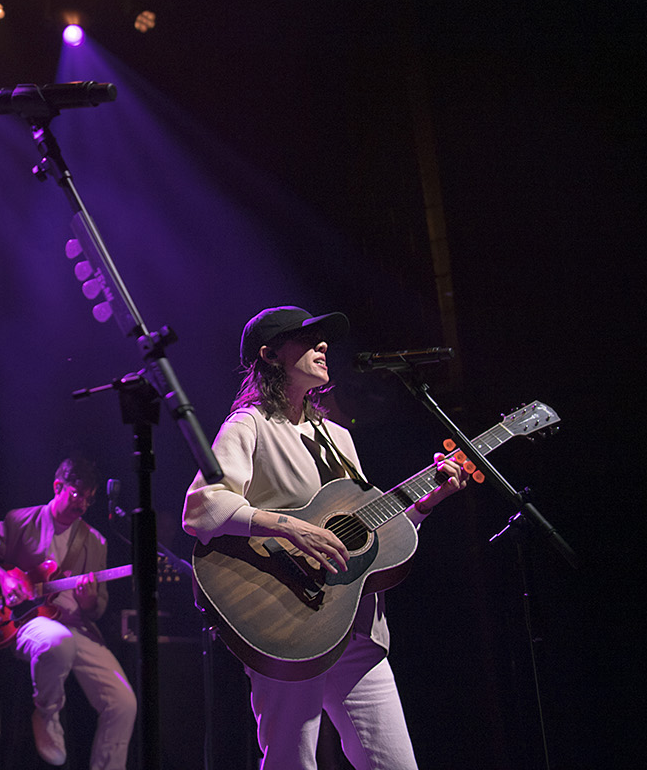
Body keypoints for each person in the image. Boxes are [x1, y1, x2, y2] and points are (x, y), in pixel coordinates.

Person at [182, 306, 465, 770]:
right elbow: (200, 507)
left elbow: (366, 536)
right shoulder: (248, 425)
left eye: (323, 339)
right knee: (291, 762)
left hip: (355, 627)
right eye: (309, 339)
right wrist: (285, 524)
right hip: (287, 622)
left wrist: (425, 503)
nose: (324, 346)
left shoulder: (338, 436)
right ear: (270, 355)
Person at [0, 457, 137, 770]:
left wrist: (88, 602)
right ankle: (47, 714)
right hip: (25, 623)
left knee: (124, 704)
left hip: (76, 626)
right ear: (58, 487)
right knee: (58, 641)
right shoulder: (21, 521)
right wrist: (4, 579)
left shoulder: (95, 541)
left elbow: (98, 607)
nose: (83, 504)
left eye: (89, 499)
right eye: (78, 495)